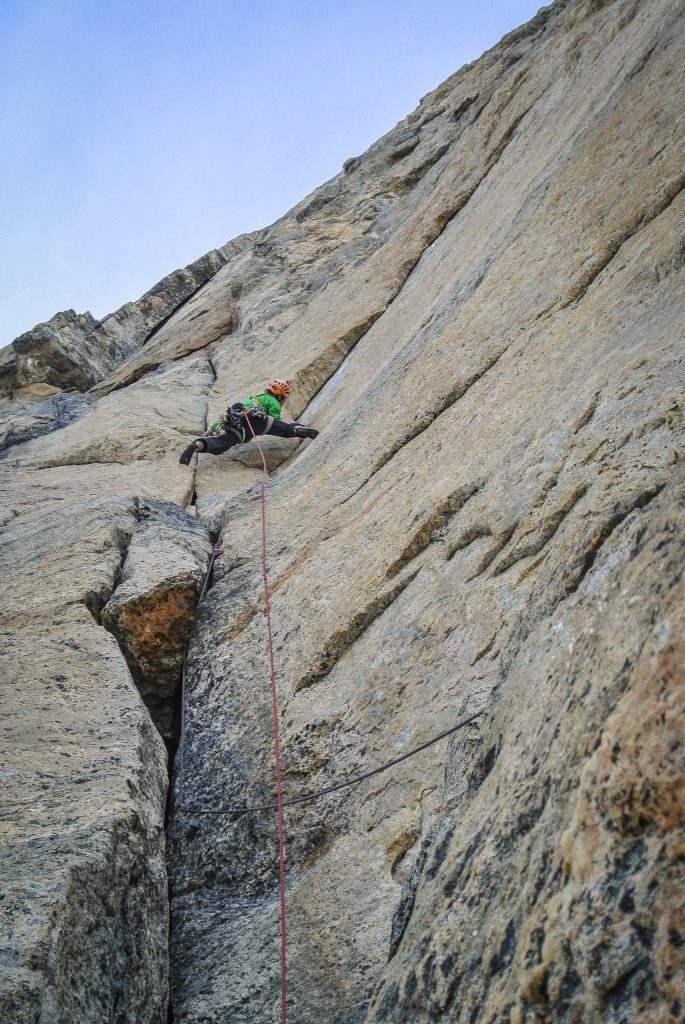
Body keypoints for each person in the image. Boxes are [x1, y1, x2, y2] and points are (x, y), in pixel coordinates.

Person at [179, 378, 318, 464]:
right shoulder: (274, 402)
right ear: (281, 397)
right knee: (286, 429)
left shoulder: (250, 400)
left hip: (237, 425)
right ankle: (299, 430)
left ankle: (197, 445)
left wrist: (205, 435)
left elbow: (217, 424)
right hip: (259, 421)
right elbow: (275, 422)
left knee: (219, 444)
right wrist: (281, 426)